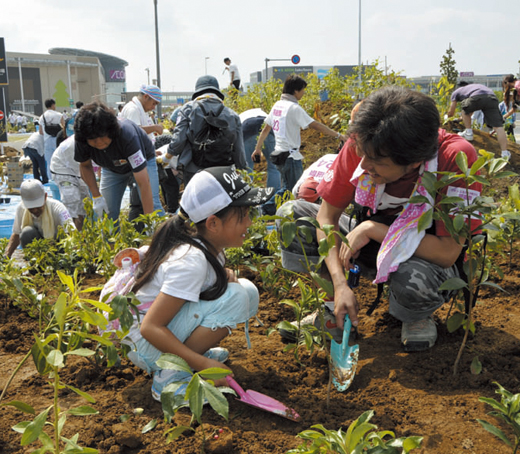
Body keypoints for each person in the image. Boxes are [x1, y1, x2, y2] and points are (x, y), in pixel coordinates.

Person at [278, 86, 482, 353]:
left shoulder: (455, 158)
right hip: (366, 240)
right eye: (362, 155)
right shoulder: (365, 144)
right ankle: (332, 309)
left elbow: (446, 252)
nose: (364, 166)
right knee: (295, 217)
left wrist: (373, 229)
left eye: (377, 162)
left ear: (414, 161)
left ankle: (416, 314)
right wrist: (339, 284)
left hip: (423, 256)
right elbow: (326, 216)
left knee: (413, 277)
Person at [121, 165, 274, 401]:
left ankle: (189, 352)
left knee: (246, 291)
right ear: (213, 223)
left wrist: (225, 274)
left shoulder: (205, 247)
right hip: (144, 344)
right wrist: (204, 364)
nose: (249, 224)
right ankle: (170, 376)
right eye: (243, 216)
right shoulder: (191, 260)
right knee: (236, 297)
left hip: (152, 333)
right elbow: (150, 327)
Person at [254, 74, 346, 215]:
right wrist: (338, 135)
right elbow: (315, 125)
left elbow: (266, 129)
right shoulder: (293, 108)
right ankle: (264, 209)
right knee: (292, 190)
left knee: (286, 187)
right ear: (295, 91)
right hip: (290, 157)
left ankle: (270, 209)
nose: (303, 93)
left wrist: (258, 148)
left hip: (279, 155)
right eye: (302, 90)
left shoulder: (278, 105)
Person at [74, 101, 164, 221]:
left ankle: (161, 234)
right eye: (93, 139)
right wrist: (96, 196)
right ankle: (110, 239)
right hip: (111, 168)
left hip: (144, 161)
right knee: (107, 212)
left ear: (110, 131)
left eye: (102, 136)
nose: (99, 142)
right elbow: (85, 166)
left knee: (153, 207)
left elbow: (144, 182)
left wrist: (149, 219)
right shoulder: (82, 139)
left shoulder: (127, 135)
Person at [162, 75, 247, 184]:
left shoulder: (188, 109)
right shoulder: (232, 114)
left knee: (195, 199)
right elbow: (238, 146)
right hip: (223, 169)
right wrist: (241, 167)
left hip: (194, 169)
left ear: (198, 92)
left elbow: (179, 139)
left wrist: (168, 156)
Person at [6, 179, 75, 258]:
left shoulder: (58, 208)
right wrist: (7, 256)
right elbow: (16, 234)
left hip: (58, 248)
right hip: (39, 249)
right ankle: (35, 262)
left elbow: (72, 233)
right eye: (31, 208)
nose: (35, 210)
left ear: (45, 197)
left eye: (38, 206)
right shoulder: (21, 208)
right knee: (26, 233)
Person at [447, 81, 510, 159]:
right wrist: (460, 119)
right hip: (492, 98)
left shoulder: (456, 92)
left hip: (477, 98)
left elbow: (451, 112)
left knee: (464, 110)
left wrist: (447, 117)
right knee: (498, 127)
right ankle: (505, 153)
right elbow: (471, 110)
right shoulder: (475, 87)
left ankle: (468, 133)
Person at [50, 135, 90, 230]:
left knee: (84, 203)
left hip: (76, 170)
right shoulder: (85, 140)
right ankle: (71, 239)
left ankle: (79, 234)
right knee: (72, 204)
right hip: (62, 169)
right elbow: (87, 167)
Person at [239, 108, 281, 192]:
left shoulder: (240, 116)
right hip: (267, 130)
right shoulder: (263, 112)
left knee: (247, 167)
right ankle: (273, 196)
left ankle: (247, 196)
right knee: (274, 167)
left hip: (247, 131)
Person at [39, 99, 63, 181]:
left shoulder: (42, 116)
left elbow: (41, 132)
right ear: (53, 105)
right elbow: (64, 128)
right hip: (57, 140)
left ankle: (51, 180)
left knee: (49, 161)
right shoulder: (59, 114)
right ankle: (59, 178)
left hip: (47, 141)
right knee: (59, 160)